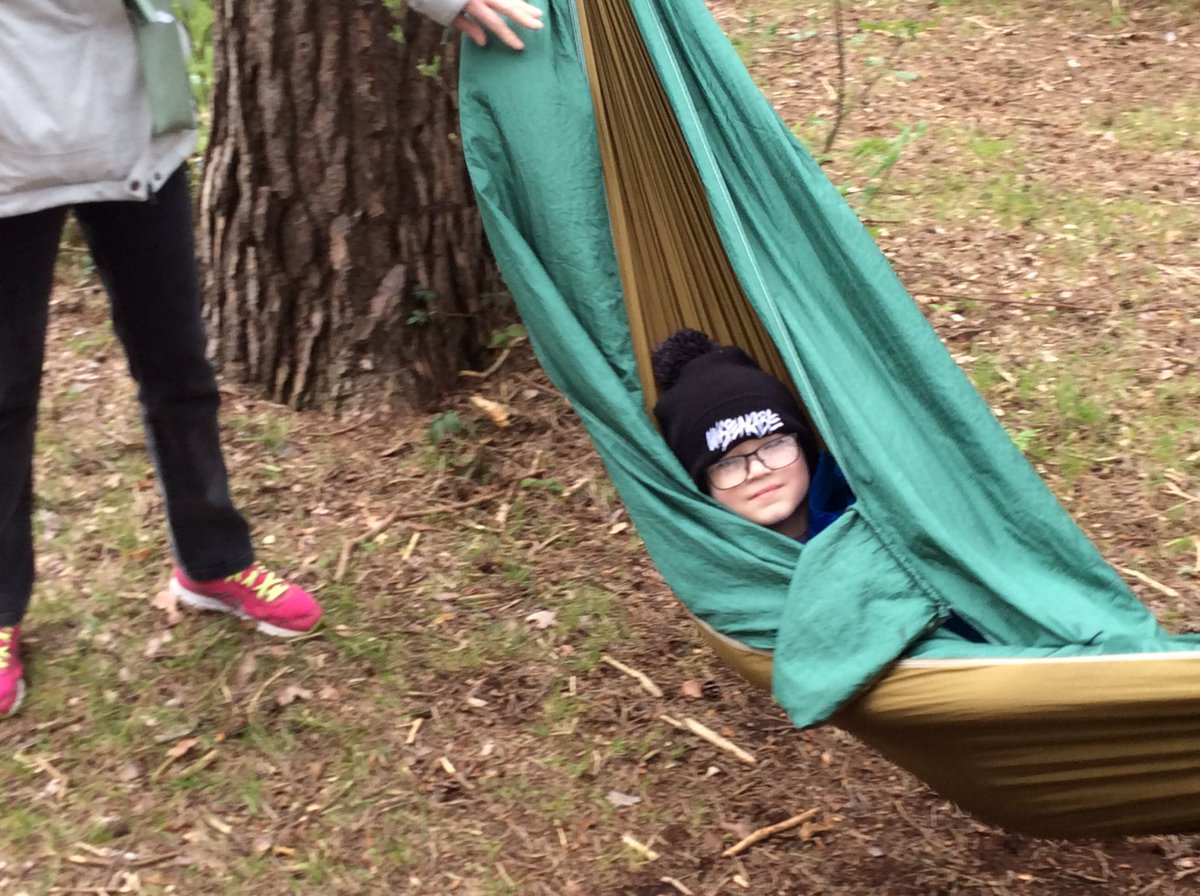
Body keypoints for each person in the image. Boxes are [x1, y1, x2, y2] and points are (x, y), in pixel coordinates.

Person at [0, 0, 543, 718]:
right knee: (5, 395)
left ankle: (212, 562)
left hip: (132, 142)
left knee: (180, 371)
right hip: (11, 156)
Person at [651, 328, 855, 543]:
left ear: (804, 448)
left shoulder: (873, 506)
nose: (758, 471)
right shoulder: (706, 565)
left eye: (774, 445)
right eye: (727, 463)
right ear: (703, 484)